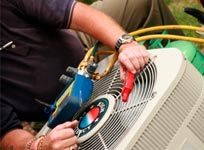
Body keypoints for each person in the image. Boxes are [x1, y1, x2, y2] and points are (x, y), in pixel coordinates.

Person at [0, 0, 182, 149]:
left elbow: (77, 14)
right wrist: (38, 146)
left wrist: (125, 44)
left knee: (141, 3)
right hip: (60, 109)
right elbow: (6, 133)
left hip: (80, 43)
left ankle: (189, 63)